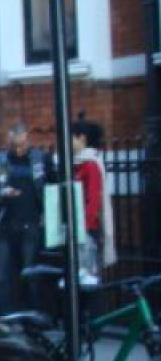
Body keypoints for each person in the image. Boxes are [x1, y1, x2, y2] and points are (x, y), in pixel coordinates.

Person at [0, 124, 50, 315]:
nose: (19, 148)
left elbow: (53, 186)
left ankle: (35, 312)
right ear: (8, 142)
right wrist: (2, 192)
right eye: (15, 144)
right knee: (2, 274)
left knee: (31, 271)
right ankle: (2, 314)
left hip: (32, 223)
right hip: (4, 224)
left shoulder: (41, 159)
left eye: (23, 143)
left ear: (28, 140)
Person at [70, 119, 116, 284]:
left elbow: (94, 199)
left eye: (71, 137)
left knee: (87, 278)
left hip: (86, 230)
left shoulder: (89, 164)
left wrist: (85, 227)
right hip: (80, 228)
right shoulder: (80, 163)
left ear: (81, 137)